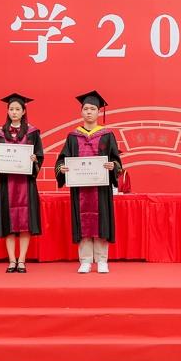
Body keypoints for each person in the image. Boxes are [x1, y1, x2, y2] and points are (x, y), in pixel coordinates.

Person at [57, 90, 122, 273]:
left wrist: (113, 166)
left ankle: (102, 260)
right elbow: (62, 159)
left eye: (92, 109)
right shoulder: (73, 136)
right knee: (83, 220)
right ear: (81, 112)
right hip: (80, 189)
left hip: (100, 187)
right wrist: (62, 168)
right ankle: (85, 260)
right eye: (86, 109)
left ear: (98, 112)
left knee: (102, 220)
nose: (89, 112)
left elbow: (116, 160)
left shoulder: (107, 135)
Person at [0, 93, 44, 273]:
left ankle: (21, 260)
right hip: (6, 183)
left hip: (25, 184)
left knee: (25, 223)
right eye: (11, 109)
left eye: (17, 109)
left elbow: (39, 156)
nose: (14, 112)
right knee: (8, 223)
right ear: (7, 111)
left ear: (23, 111)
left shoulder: (32, 133)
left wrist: (35, 160)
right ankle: (11, 260)